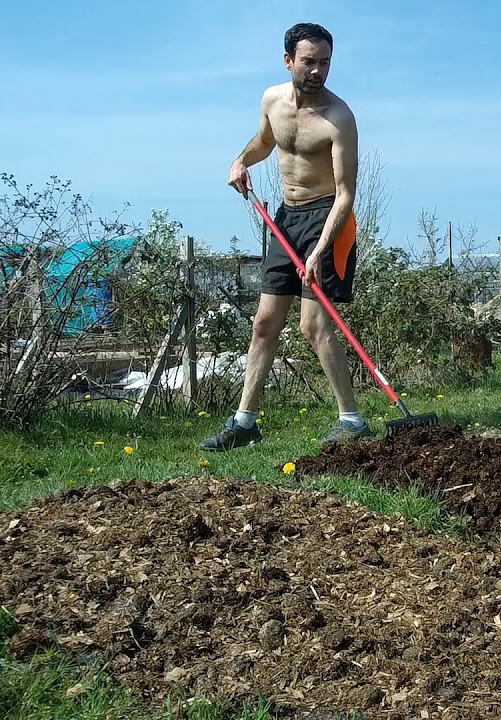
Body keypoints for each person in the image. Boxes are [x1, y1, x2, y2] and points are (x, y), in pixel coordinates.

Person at [201, 22, 372, 452]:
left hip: (328, 218)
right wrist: (241, 161)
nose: (318, 71)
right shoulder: (272, 101)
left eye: (325, 63)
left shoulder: (339, 118)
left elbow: (346, 195)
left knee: (313, 325)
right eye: (309, 61)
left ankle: (351, 419)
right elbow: (263, 141)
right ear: (288, 61)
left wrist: (318, 250)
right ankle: (244, 423)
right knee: (264, 324)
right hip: (285, 217)